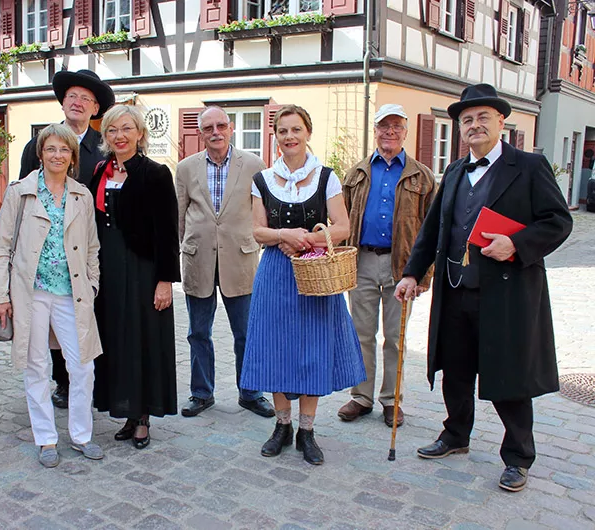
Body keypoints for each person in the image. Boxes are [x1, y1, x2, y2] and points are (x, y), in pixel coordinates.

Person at [395, 84, 573, 492]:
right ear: (460, 128)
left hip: (505, 294)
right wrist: (411, 272)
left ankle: (518, 457)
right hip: (456, 290)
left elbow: (558, 221)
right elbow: (432, 229)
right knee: (455, 371)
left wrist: (518, 244)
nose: (474, 126)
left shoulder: (528, 167)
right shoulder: (456, 171)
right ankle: (456, 435)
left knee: (509, 377)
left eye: (482, 118)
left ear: (501, 122)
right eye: (467, 120)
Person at [239, 105, 366, 465]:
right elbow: (255, 230)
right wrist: (282, 234)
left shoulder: (326, 177)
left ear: (308, 132)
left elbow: (342, 226)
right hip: (277, 273)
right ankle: (282, 425)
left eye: (296, 129)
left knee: (312, 349)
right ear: (275, 136)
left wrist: (307, 240)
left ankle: (307, 430)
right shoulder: (262, 179)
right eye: (282, 131)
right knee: (275, 348)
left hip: (314, 271)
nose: (289, 137)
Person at [0, 124, 103, 467]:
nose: (57, 155)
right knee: (36, 365)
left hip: (72, 293)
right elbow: (1, 247)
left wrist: (92, 284)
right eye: (51, 149)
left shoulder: (81, 195)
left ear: (73, 157)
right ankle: (46, 439)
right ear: (40, 154)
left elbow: (92, 249)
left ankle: (81, 435)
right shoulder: (20, 193)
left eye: (64, 150)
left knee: (83, 366)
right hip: (31, 292)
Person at [18, 69, 115, 410]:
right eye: (72, 96)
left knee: (86, 319)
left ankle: (91, 381)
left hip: (91, 246)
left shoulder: (104, 149)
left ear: (94, 108)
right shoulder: (39, 144)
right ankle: (62, 382)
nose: (77, 102)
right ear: (63, 101)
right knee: (53, 328)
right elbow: (24, 199)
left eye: (85, 99)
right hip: (50, 251)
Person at [339, 104, 437, 428]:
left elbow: (432, 228)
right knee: (361, 333)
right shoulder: (356, 173)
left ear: (405, 132)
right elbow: (342, 220)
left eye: (396, 126)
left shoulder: (421, 175)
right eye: (384, 126)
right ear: (376, 130)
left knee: (396, 337)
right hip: (363, 261)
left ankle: (392, 401)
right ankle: (361, 397)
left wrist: (424, 274)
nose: (390, 132)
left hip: (402, 267)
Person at [88, 105, 180, 449]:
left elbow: (168, 232)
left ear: (140, 134)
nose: (119, 136)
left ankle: (143, 416)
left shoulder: (156, 174)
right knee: (116, 340)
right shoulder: (99, 173)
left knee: (143, 340)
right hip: (108, 270)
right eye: (112, 130)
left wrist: (165, 280)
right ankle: (125, 410)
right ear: (105, 137)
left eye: (126, 129)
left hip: (143, 270)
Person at [175, 106, 273, 418]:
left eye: (221, 126)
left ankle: (250, 393)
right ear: (201, 133)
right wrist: (187, 244)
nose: (215, 132)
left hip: (240, 260)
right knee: (198, 332)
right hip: (198, 259)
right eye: (208, 128)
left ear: (230, 129)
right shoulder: (186, 168)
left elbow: (262, 213)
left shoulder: (254, 165)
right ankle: (201, 393)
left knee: (246, 332)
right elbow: (179, 216)